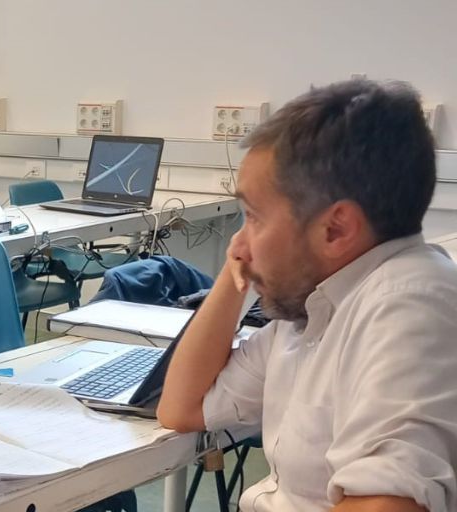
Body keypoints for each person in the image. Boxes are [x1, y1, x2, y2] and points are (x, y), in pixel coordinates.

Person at [157, 79, 457, 511]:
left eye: (253, 217)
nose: (239, 244)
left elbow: (388, 504)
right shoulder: (316, 306)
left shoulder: (409, 306)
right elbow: (182, 408)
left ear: (335, 229)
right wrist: (240, 266)